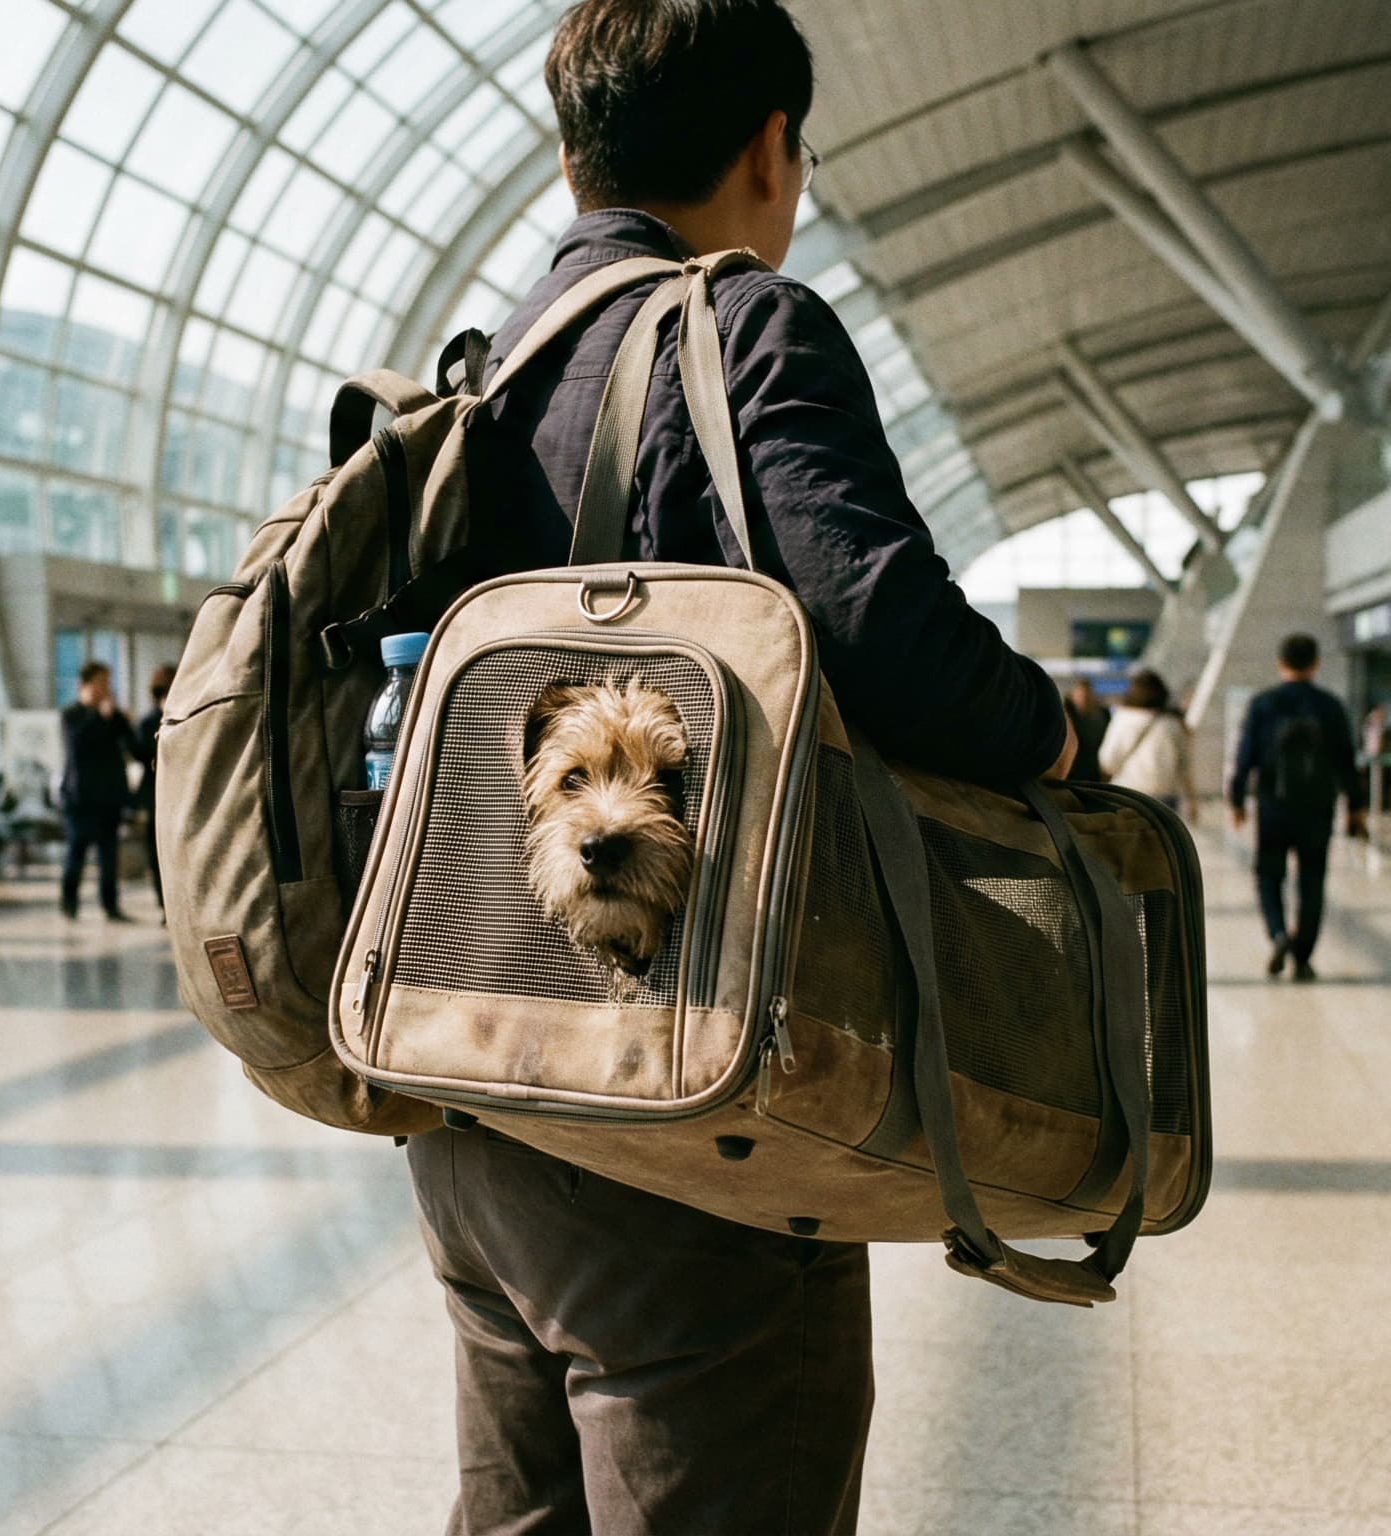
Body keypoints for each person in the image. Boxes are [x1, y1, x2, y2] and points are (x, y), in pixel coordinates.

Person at [413, 6, 1078, 1532]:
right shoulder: (744, 322)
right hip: (676, 1110)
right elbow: (873, 618)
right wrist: (1050, 728)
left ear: (570, 151)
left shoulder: (492, 376)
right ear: (773, 148)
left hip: (474, 1099)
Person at [1229, 633, 1363, 982]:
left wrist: (1237, 798)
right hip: (1318, 807)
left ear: (1280, 663)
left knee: (1269, 874)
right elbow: (1346, 760)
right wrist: (1357, 806)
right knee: (1312, 880)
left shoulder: (1264, 704)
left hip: (1274, 805)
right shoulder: (1330, 706)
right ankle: (1303, 957)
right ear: (1315, 663)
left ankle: (1278, 934)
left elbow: (1245, 756)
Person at [57, 661, 138, 923]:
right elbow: (77, 745)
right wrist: (99, 716)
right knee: (76, 853)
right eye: (101, 682)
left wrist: (118, 718)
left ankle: (110, 905)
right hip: (79, 799)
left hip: (108, 798)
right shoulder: (72, 714)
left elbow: (131, 745)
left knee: (109, 856)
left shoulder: (111, 715)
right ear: (86, 684)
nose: (106, 688)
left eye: (108, 682)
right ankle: (69, 902)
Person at [1099, 667, 1194, 812]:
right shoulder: (1173, 723)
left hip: (1128, 794)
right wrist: (1192, 799)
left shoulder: (1123, 719)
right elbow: (1184, 766)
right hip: (1165, 799)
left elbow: (1107, 761)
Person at [136, 663, 175, 912]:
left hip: (174, 793)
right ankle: (164, 903)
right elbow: (141, 752)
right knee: (157, 850)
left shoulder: (186, 717)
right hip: (155, 794)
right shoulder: (149, 722)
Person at [1063, 676, 1111, 780]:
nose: (1085, 699)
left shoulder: (1103, 715)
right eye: (1080, 695)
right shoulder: (1066, 717)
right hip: (1072, 771)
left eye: (1088, 695)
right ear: (1072, 696)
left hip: (1095, 770)